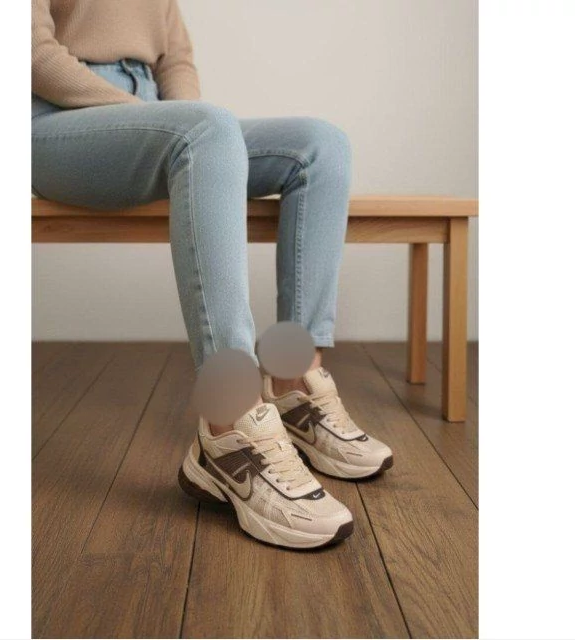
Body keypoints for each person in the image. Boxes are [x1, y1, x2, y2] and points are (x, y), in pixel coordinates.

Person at [32, 0, 392, 550]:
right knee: (205, 128)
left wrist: (172, 119)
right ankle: (230, 424)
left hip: (152, 116)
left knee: (320, 145)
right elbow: (33, 56)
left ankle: (295, 380)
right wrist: (153, 118)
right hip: (53, 120)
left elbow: (175, 59)